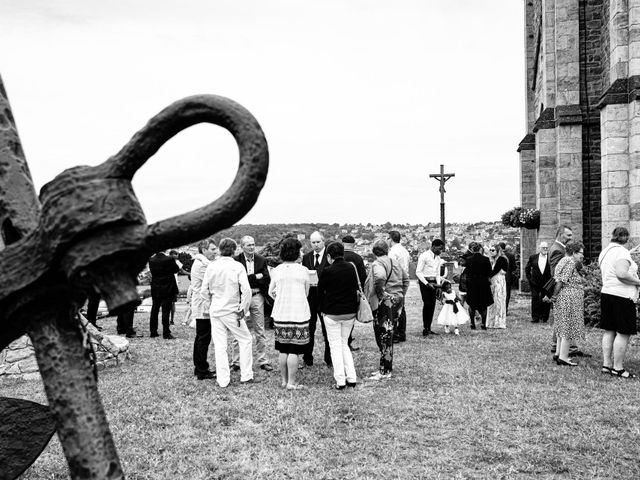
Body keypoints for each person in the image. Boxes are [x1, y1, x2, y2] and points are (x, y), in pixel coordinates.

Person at [201, 238, 254, 388]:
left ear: (219, 249)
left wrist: (209, 304)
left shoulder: (211, 266)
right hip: (231, 310)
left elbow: (204, 290)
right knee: (245, 339)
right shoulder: (237, 266)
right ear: (234, 250)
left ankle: (223, 380)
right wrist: (243, 309)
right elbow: (247, 290)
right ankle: (246, 375)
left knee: (220, 345)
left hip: (216, 310)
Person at [268, 237, 310, 390]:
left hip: (281, 313)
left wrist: (280, 298)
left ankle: (284, 381)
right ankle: (292, 383)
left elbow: (270, 292)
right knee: (294, 349)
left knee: (283, 348)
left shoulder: (276, 270)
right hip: (298, 313)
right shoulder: (303, 270)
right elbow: (306, 292)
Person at [598, 227, 640, 378]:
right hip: (622, 297)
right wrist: (638, 281)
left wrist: (629, 254)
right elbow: (621, 274)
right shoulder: (622, 252)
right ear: (626, 239)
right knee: (623, 332)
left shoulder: (606, 251)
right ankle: (618, 368)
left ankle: (607, 365)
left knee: (609, 330)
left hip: (607, 293)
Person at [317, 242, 359, 389]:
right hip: (350, 312)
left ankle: (340, 380)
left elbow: (319, 292)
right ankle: (352, 377)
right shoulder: (352, 268)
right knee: (344, 343)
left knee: (335, 346)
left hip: (332, 313)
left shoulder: (327, 271)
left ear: (329, 256)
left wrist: (322, 309)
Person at [368, 240, 409, 381]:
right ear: (387, 250)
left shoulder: (378, 263)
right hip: (396, 300)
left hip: (385, 302)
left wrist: (382, 294)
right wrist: (400, 295)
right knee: (389, 334)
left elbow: (379, 277)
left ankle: (385, 370)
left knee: (383, 335)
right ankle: (385, 367)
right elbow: (406, 280)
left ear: (374, 251)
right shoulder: (395, 262)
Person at [232, 235, 273, 372]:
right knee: (238, 328)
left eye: (253, 244)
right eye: (249, 245)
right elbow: (236, 280)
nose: (252, 247)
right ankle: (236, 361)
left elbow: (266, 279)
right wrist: (255, 276)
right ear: (242, 246)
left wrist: (250, 279)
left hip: (256, 296)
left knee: (260, 330)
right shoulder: (236, 260)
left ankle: (263, 360)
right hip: (241, 297)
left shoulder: (261, 260)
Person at [548, 242, 585, 366]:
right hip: (568, 297)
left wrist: (555, 296)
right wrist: (554, 295)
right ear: (574, 253)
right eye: (581, 253)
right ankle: (563, 357)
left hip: (563, 297)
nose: (582, 256)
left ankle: (559, 353)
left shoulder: (563, 260)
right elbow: (561, 281)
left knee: (561, 325)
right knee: (568, 326)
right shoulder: (570, 262)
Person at [301, 231, 331, 367]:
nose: (316, 245)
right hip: (311, 299)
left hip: (325, 298)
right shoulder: (306, 257)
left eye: (318, 242)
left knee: (327, 330)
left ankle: (329, 358)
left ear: (323, 241)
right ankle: (307, 358)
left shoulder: (329, 256)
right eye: (313, 242)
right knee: (309, 329)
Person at [191, 238, 218, 380]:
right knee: (203, 338)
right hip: (203, 306)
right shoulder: (202, 265)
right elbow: (211, 283)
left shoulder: (202, 263)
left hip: (202, 304)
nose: (216, 252)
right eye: (213, 249)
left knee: (201, 337)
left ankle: (199, 367)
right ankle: (202, 369)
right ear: (204, 250)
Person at [415, 239, 446, 336]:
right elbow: (418, 272)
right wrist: (426, 283)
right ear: (434, 246)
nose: (440, 251)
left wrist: (438, 286)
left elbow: (437, 273)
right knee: (427, 304)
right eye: (439, 249)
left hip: (434, 282)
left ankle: (429, 328)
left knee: (432, 305)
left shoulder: (437, 258)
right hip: (425, 282)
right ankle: (425, 328)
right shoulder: (424, 256)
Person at [148, 250, 180, 339]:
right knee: (166, 310)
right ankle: (166, 332)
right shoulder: (169, 259)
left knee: (154, 309)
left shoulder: (151, 259)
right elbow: (176, 270)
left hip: (156, 287)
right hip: (168, 287)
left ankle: (153, 331)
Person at [342, 235, 366, 351]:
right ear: (354, 245)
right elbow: (363, 277)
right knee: (350, 319)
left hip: (338, 291)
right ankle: (348, 340)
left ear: (342, 244)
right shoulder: (357, 258)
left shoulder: (338, 256)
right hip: (353, 292)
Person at [388, 230, 411, 343]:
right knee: (402, 308)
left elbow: (391, 267)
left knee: (393, 308)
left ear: (391, 239)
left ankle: (396, 334)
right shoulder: (404, 250)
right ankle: (402, 333)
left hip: (395, 281)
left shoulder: (392, 252)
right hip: (403, 279)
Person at [464, 242, 493, 329]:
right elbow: (489, 273)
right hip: (483, 283)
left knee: (472, 304)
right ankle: (483, 323)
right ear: (480, 249)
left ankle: (472, 323)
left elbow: (467, 273)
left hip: (472, 283)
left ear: (472, 250)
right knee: (484, 304)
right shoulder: (486, 259)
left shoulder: (468, 260)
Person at [525, 241, 552, 323]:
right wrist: (530, 279)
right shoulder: (533, 257)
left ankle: (544, 317)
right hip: (535, 282)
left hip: (547, 282)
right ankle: (535, 317)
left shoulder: (550, 258)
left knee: (546, 299)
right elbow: (527, 269)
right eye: (543, 248)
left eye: (546, 248)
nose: (545, 249)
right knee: (535, 298)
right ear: (539, 248)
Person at [486, 244, 508, 329]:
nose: (491, 252)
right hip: (493, 282)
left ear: (497, 251)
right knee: (492, 302)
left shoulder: (501, 259)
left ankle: (499, 322)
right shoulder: (493, 260)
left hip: (499, 281)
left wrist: (488, 276)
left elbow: (494, 271)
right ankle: (491, 322)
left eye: (493, 250)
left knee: (499, 301)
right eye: (490, 250)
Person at [168, 250, 189, 325]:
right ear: (171, 255)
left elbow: (182, 271)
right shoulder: (176, 262)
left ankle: (170, 319)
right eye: (176, 254)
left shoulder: (175, 262)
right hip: (173, 284)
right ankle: (171, 320)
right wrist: (191, 273)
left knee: (171, 303)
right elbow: (182, 271)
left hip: (171, 283)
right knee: (172, 303)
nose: (177, 256)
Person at [499, 242, 518, 314]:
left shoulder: (496, 256)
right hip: (507, 277)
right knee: (506, 294)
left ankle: (499, 309)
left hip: (498, 277)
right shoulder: (511, 255)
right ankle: (505, 309)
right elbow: (514, 267)